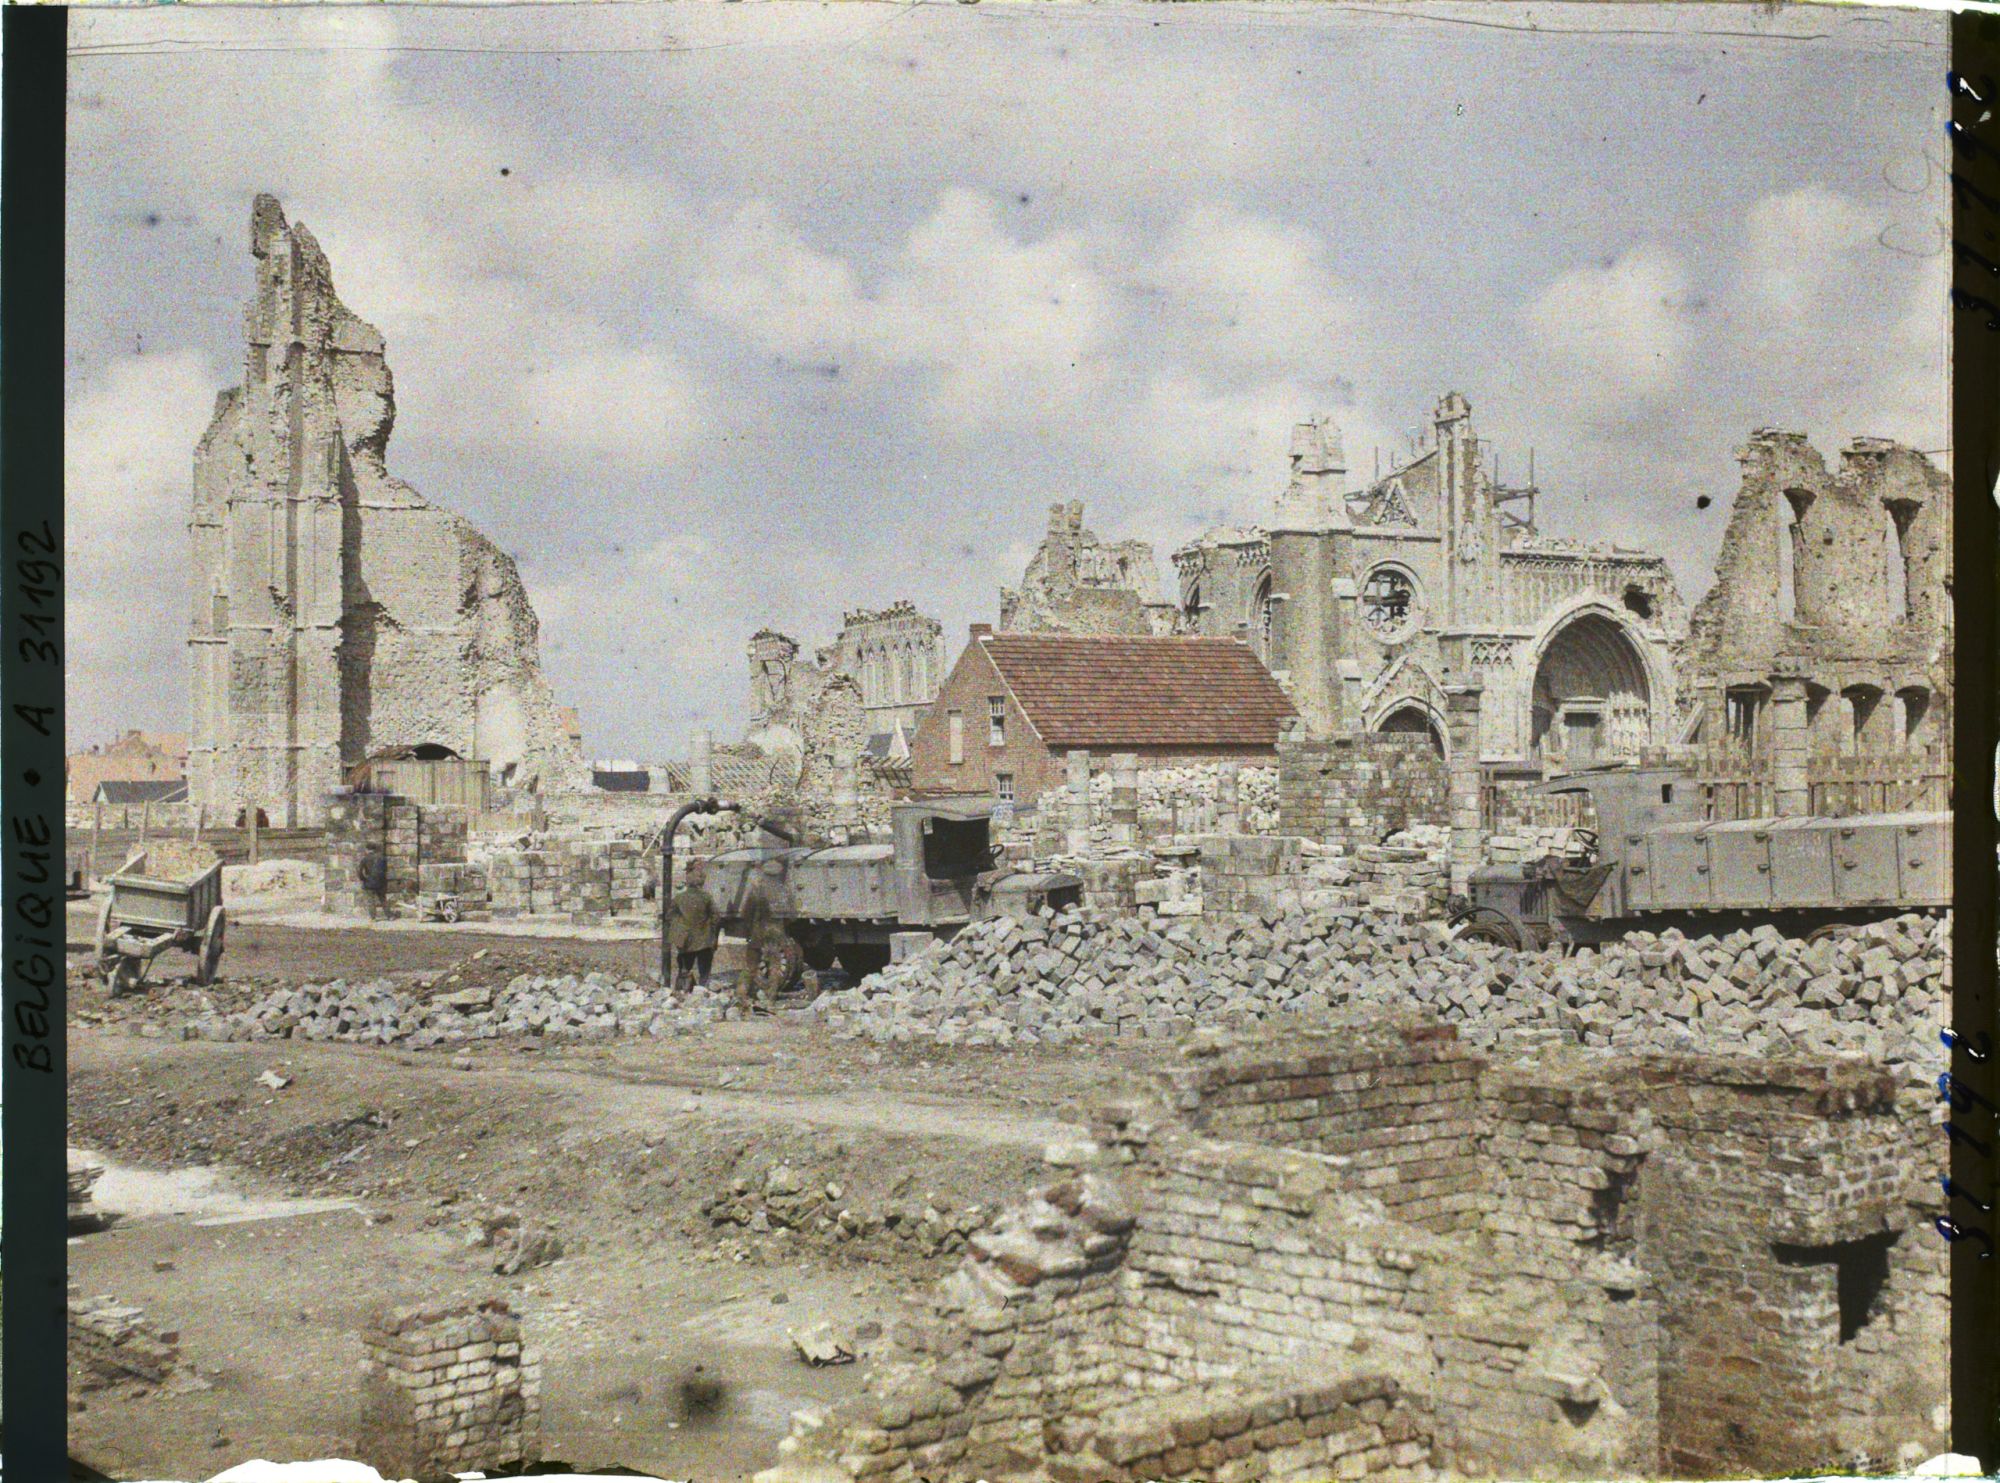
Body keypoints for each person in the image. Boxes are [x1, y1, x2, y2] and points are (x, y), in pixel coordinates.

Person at [667, 862, 721, 994]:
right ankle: (702, 993)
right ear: (701, 882)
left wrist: (680, 930)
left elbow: (669, 916)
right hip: (704, 941)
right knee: (704, 971)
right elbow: (716, 917)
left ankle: (681, 992)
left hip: (686, 941)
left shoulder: (679, 898)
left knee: (684, 969)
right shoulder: (706, 897)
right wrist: (714, 935)